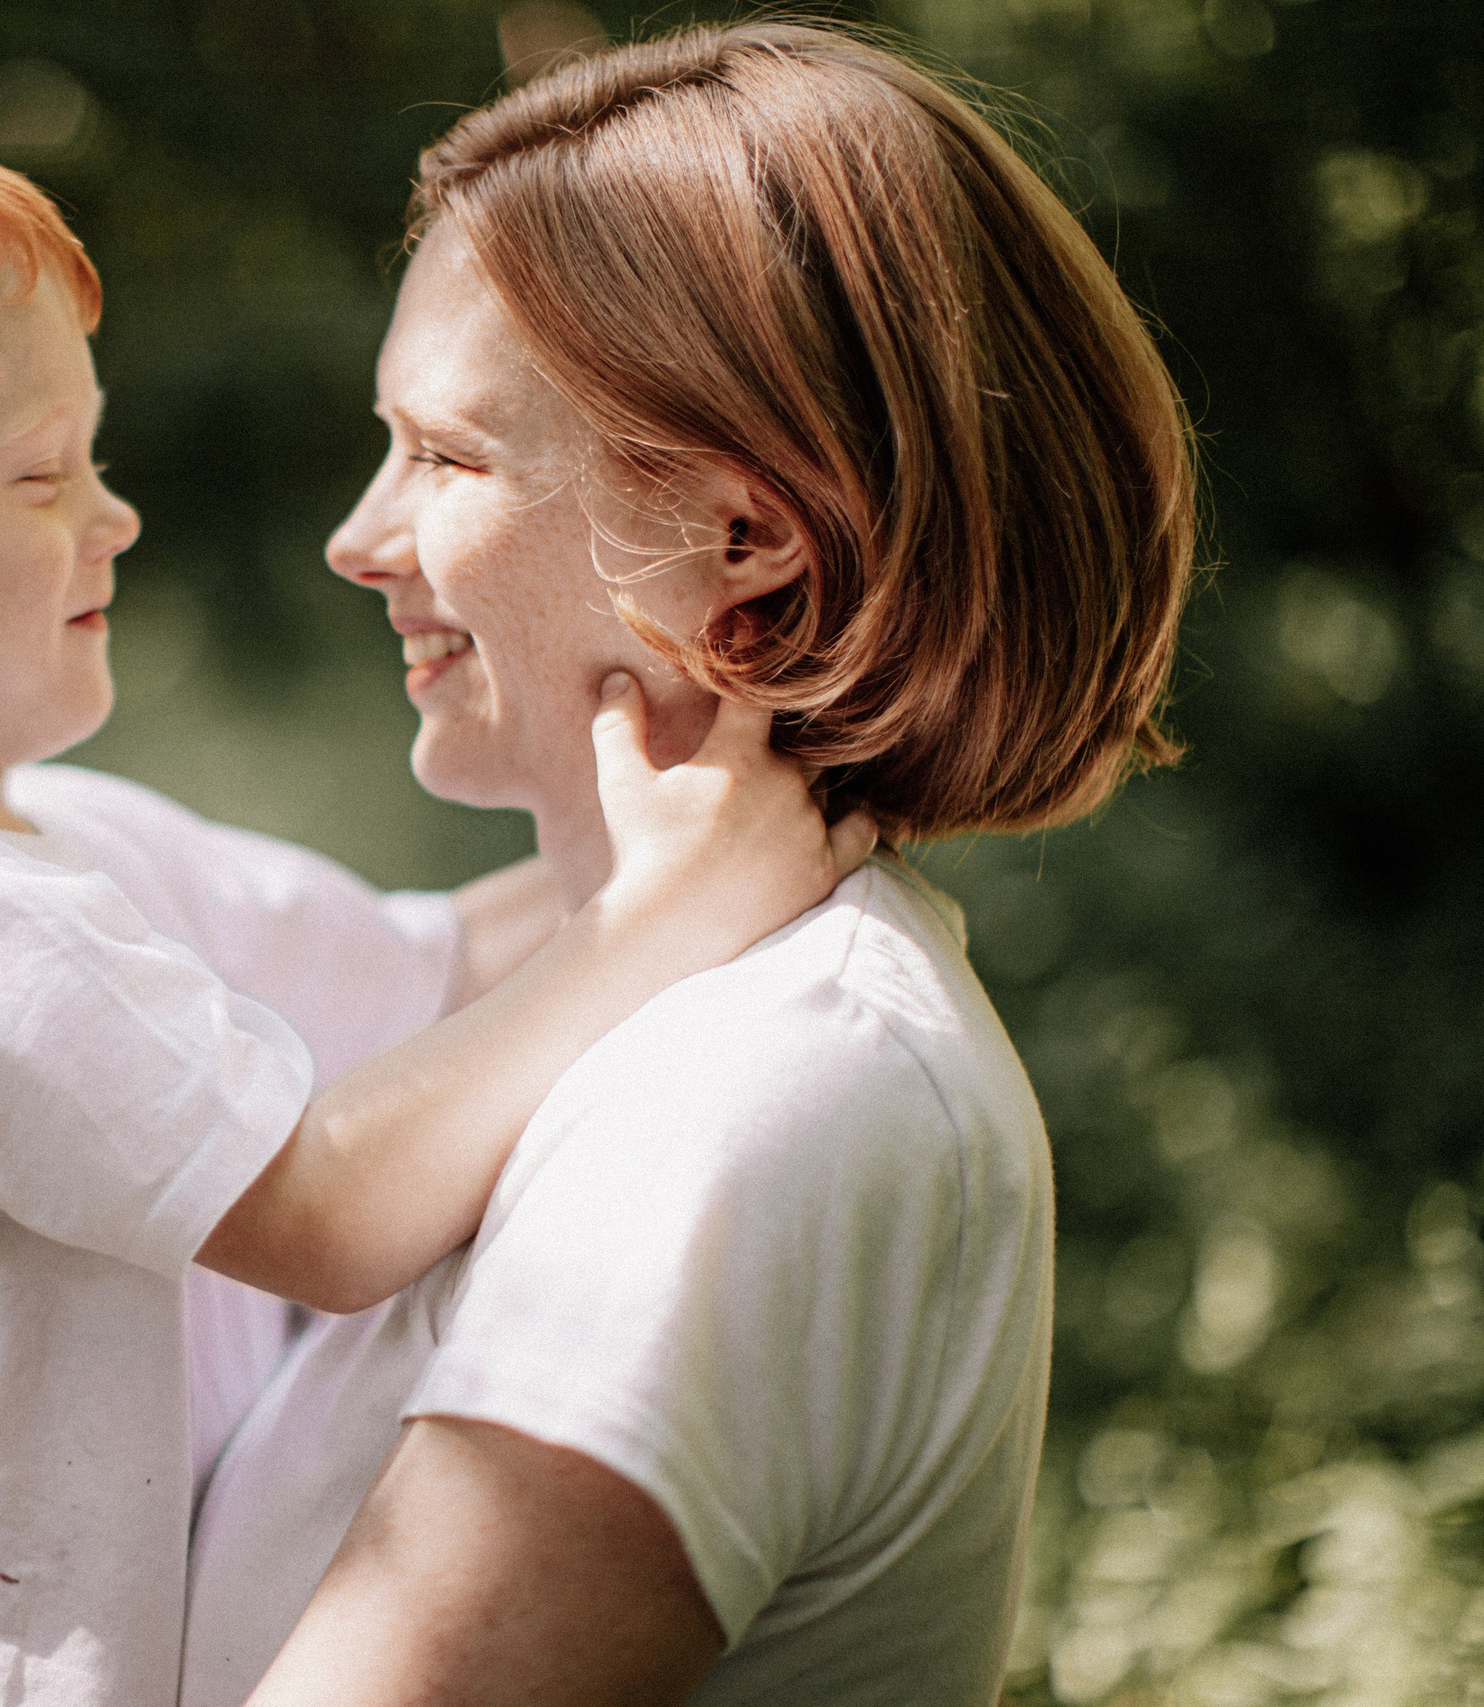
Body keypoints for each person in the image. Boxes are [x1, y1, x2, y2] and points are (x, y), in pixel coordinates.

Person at [0, 114, 870, 1706]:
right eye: (39, 477)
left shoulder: (59, 844)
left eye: (96, 460)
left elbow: (437, 970)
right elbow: (329, 1217)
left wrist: (716, 815)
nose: (112, 518)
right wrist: (668, 917)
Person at [182, 22, 1196, 1707]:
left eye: (445, 455)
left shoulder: (759, 1097)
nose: (357, 541)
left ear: (745, 538)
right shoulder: (615, 1016)